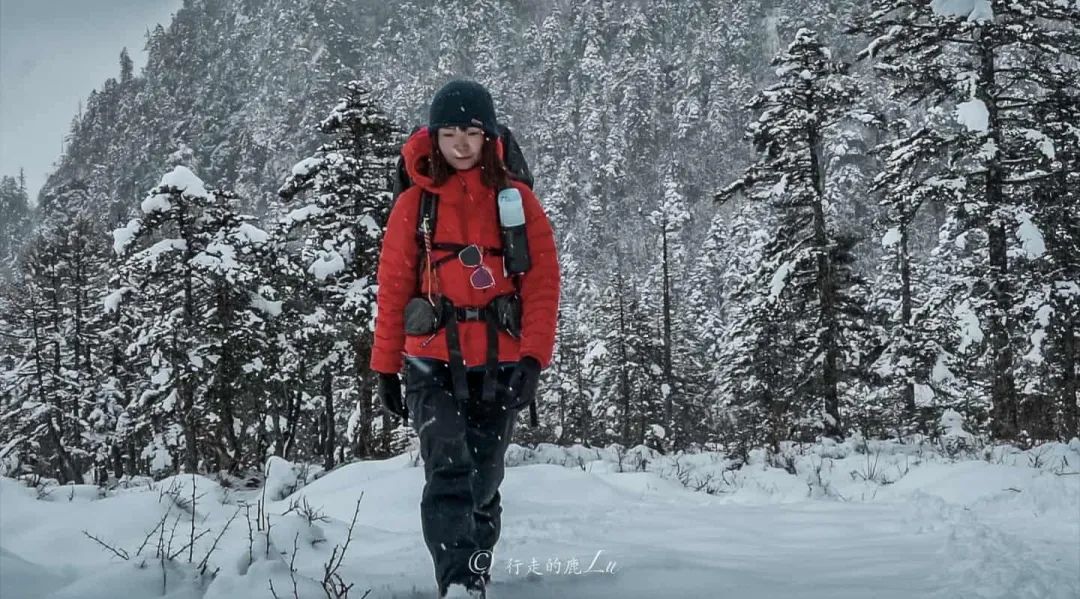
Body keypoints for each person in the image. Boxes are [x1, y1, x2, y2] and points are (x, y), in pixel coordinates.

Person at [370, 79, 560, 599]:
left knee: (485, 479)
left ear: (488, 136)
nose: (459, 144)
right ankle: (460, 585)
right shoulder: (414, 205)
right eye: (449, 133)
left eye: (470, 133)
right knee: (448, 471)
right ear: (434, 137)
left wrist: (533, 360)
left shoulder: (516, 202)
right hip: (430, 363)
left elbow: (542, 286)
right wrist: (385, 366)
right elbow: (393, 289)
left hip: (499, 364)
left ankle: (474, 567)